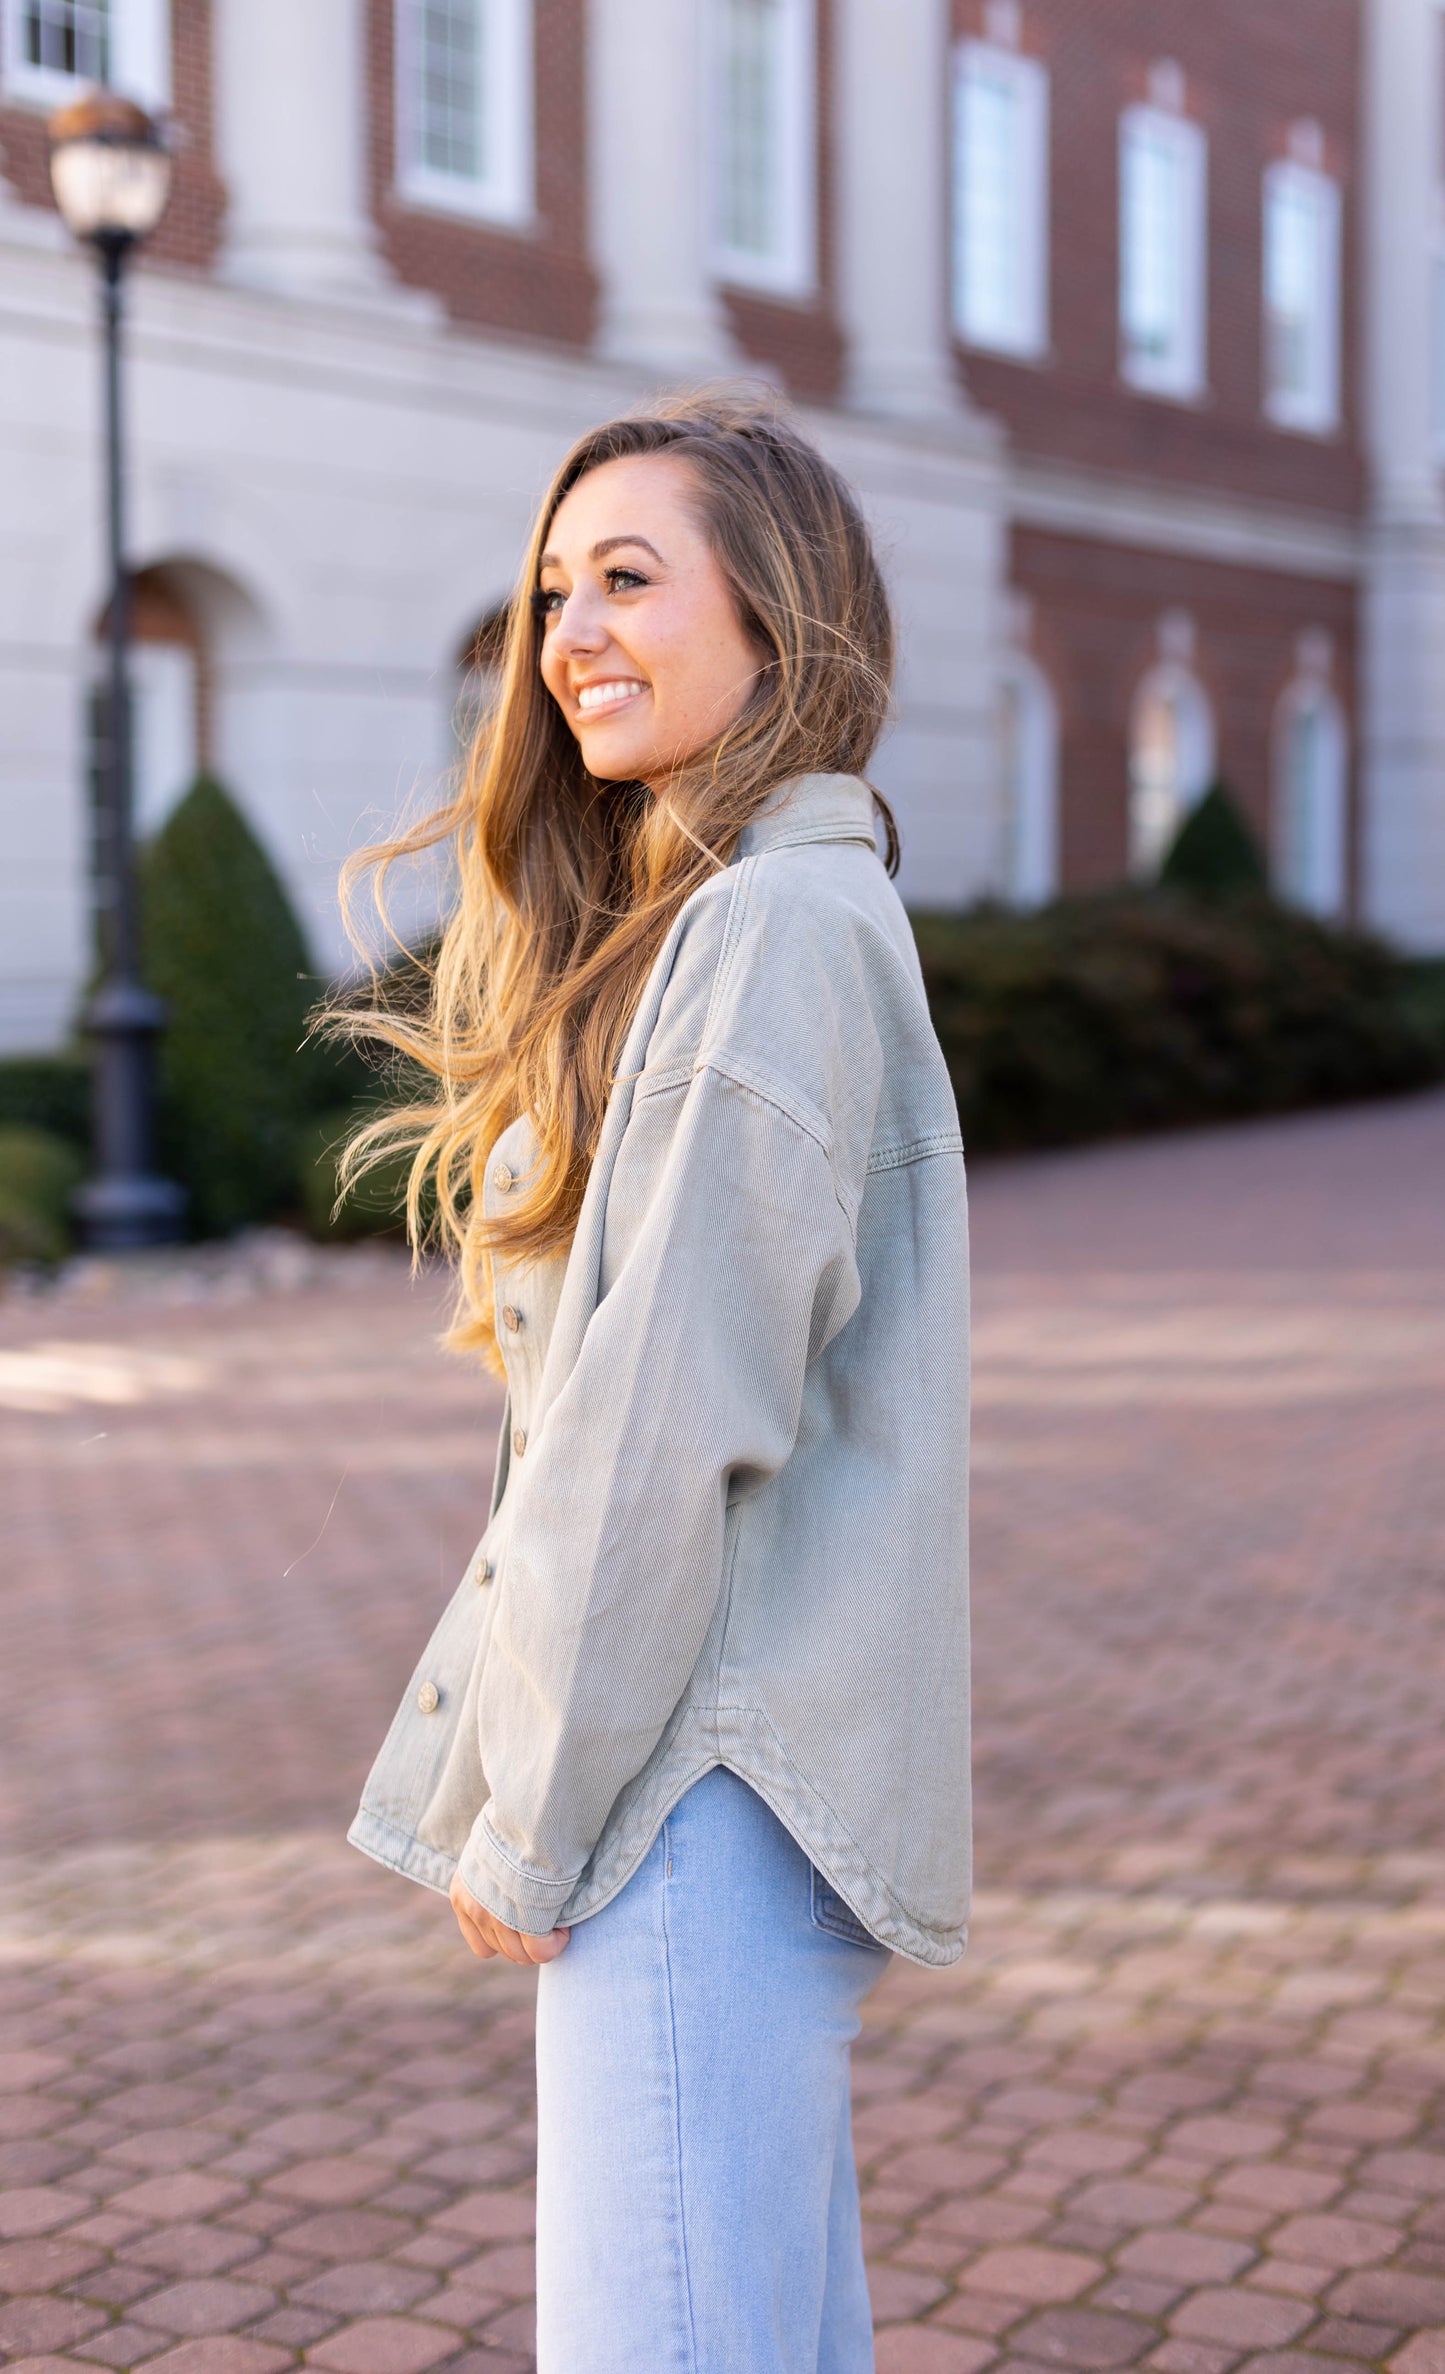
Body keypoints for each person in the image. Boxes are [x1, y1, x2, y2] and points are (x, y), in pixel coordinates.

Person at [339, 392, 971, 2373]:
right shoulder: (752, 913)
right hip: (729, 1776)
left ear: (777, 623)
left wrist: (523, 1810)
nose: (569, 633)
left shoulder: (772, 927)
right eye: (550, 588)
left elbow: (661, 1421)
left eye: (629, 577)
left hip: (693, 1778)